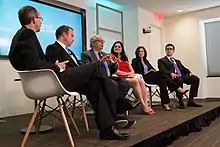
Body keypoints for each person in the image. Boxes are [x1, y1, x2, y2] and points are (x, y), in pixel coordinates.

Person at [9, 6, 130, 140]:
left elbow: (34, 63)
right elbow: (34, 65)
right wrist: (56, 66)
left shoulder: (23, 35)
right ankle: (118, 103)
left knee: (96, 84)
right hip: (56, 80)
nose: (41, 22)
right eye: (40, 19)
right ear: (33, 19)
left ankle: (107, 128)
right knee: (98, 66)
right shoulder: (27, 35)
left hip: (55, 78)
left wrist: (53, 66)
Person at [46, 29, 137, 129]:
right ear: (64, 35)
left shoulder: (70, 51)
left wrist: (112, 64)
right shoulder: (52, 48)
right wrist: (98, 64)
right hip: (69, 81)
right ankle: (120, 106)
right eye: (72, 35)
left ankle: (111, 123)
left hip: (84, 80)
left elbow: (79, 66)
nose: (73, 39)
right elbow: (58, 69)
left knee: (102, 84)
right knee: (103, 80)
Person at [80, 35, 139, 128]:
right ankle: (122, 107)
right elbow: (87, 68)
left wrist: (115, 64)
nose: (102, 44)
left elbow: (112, 69)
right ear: (93, 43)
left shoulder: (104, 54)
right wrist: (99, 61)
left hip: (109, 78)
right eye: (100, 42)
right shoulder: (86, 54)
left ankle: (118, 107)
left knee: (125, 84)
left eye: (103, 42)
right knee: (112, 87)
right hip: (97, 80)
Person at [132, 46, 189, 111]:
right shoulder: (135, 60)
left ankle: (165, 103)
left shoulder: (146, 61)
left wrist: (154, 72)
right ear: (137, 53)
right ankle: (177, 88)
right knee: (161, 73)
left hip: (150, 76)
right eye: (139, 51)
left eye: (142, 51)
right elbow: (134, 71)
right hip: (143, 78)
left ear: (144, 52)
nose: (140, 53)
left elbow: (152, 69)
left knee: (162, 81)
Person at [111, 41, 155, 115]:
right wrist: (128, 74)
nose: (117, 48)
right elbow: (115, 71)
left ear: (122, 49)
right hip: (119, 77)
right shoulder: (111, 57)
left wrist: (130, 74)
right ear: (113, 48)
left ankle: (146, 105)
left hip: (128, 76)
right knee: (135, 81)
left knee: (140, 80)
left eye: (119, 47)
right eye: (115, 46)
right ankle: (143, 105)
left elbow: (132, 70)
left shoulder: (124, 58)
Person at [158, 43, 202, 108]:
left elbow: (183, 68)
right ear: (165, 50)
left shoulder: (177, 61)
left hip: (181, 76)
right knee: (179, 80)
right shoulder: (161, 60)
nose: (169, 50)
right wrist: (170, 73)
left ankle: (191, 100)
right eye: (167, 49)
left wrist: (189, 72)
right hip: (171, 78)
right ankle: (180, 100)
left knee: (195, 79)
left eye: (171, 49)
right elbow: (162, 70)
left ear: (173, 51)